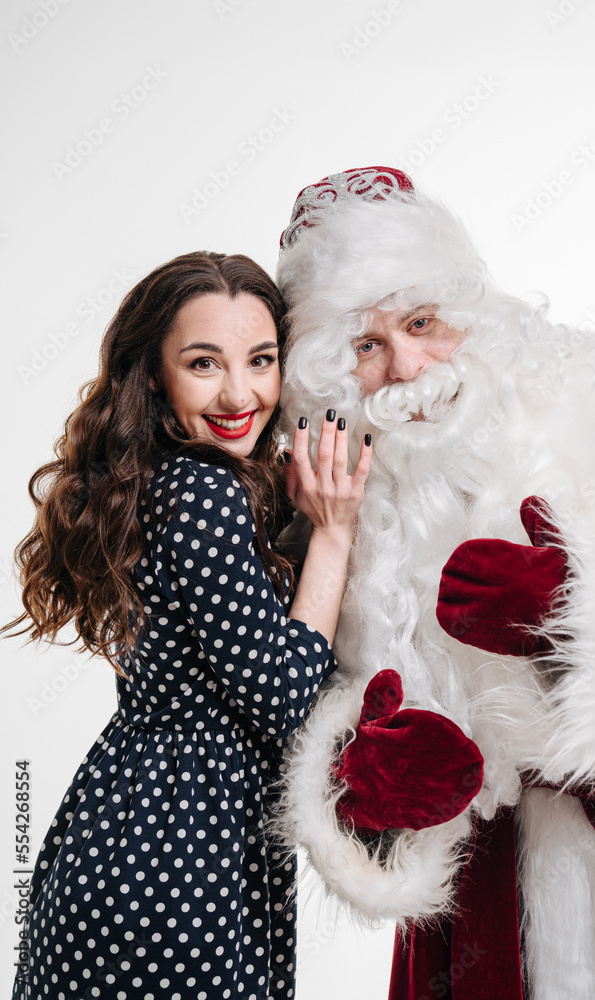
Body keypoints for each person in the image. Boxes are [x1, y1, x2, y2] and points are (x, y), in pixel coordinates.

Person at [272, 167, 595, 1000]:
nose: (406, 367)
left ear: (473, 313)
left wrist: (575, 617)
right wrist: (373, 793)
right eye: (366, 347)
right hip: (473, 904)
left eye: (422, 321)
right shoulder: (327, 511)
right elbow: (309, 737)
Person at [5, 250, 371, 1000]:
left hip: (134, 820)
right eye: (204, 363)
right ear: (153, 376)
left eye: (261, 360)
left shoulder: (162, 480)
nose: (241, 393)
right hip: (176, 857)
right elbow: (288, 703)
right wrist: (332, 535)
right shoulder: (203, 494)